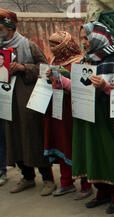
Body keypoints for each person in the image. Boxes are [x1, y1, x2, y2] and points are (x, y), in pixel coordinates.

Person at [70, 22, 114, 214]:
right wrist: (62, 80)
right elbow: (79, 86)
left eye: (86, 38)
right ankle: (102, 193)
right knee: (94, 154)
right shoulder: (85, 62)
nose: (84, 43)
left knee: (111, 155)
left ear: (98, 38)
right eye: (82, 39)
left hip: (109, 117)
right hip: (89, 116)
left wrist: (105, 86)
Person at [0, 9, 56, 196]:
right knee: (14, 136)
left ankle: (48, 178)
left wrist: (23, 67)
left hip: (28, 99)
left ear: (9, 26)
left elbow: (45, 67)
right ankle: (27, 177)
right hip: (7, 99)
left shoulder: (28, 45)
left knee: (34, 136)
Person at [43, 31, 93, 199]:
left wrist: (63, 78)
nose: (52, 49)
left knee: (77, 145)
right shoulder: (53, 61)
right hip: (58, 109)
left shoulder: (80, 62)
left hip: (74, 110)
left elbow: (82, 86)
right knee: (61, 143)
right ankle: (66, 182)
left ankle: (86, 184)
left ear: (65, 46)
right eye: (50, 45)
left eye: (55, 45)